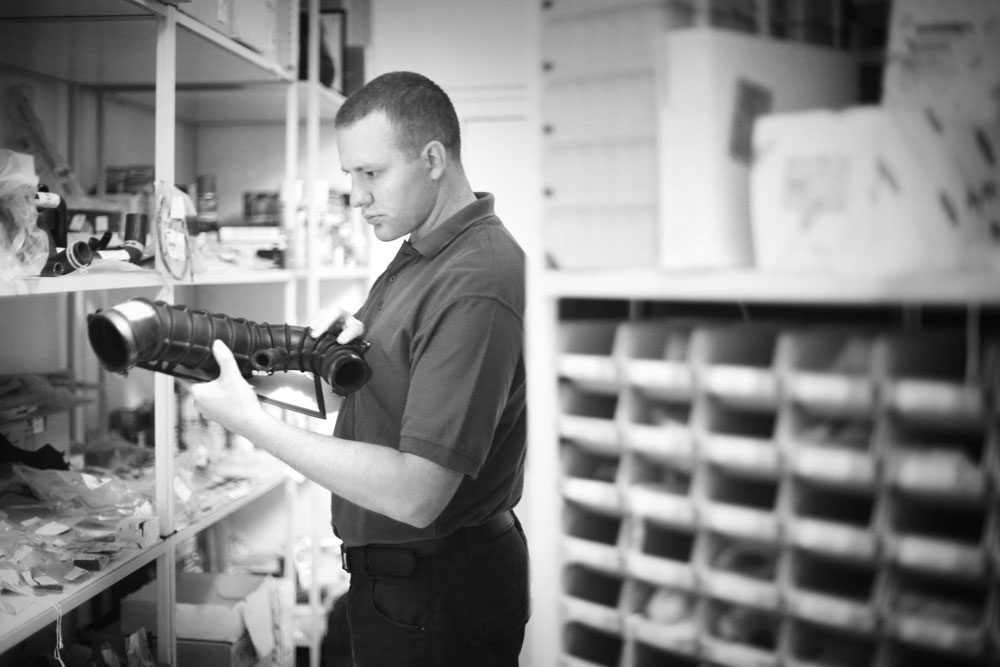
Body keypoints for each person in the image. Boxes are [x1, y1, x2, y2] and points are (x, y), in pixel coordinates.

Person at [188, 70, 530, 666]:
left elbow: (416, 491)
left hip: (439, 589)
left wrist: (254, 425)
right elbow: (369, 400)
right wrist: (279, 374)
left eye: (372, 173)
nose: (359, 196)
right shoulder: (420, 255)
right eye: (351, 176)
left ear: (432, 158)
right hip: (399, 583)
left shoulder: (476, 280)